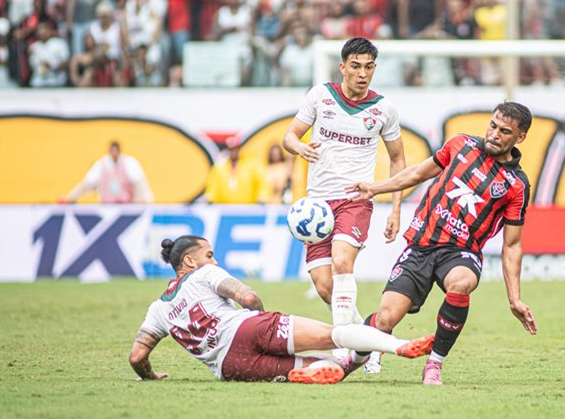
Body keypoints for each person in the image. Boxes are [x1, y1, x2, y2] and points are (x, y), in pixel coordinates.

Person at [346, 102, 539, 385]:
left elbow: (512, 245)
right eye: (493, 125)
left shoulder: (517, 185)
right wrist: (374, 188)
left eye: (504, 131)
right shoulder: (460, 145)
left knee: (462, 283)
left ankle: (434, 363)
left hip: (461, 253)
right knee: (385, 319)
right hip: (422, 245)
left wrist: (515, 298)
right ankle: (350, 361)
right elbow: (416, 174)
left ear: (520, 137)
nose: (494, 134)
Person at [128, 235, 435, 384]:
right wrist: (259, 318)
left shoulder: (158, 309)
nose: (214, 260)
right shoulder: (203, 273)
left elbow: (137, 357)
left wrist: (150, 376)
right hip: (246, 329)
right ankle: (399, 346)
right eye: (209, 255)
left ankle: (338, 364)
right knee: (335, 335)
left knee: (328, 367)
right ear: (190, 261)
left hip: (231, 367)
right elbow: (247, 297)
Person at [282, 37, 406, 373]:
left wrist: (395, 208)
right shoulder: (320, 95)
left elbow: (398, 160)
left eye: (369, 67)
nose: (362, 73)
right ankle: (369, 343)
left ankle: (342, 348)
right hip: (317, 206)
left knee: (341, 262)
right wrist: (300, 148)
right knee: (325, 287)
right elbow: (290, 136)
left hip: (356, 199)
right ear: (342, 67)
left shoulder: (383, 109)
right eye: (356, 66)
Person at [65, 140, 154, 203]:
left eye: (116, 151)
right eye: (112, 151)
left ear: (119, 151)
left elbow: (139, 182)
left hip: (127, 207)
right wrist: (72, 197)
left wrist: (147, 200)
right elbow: (87, 182)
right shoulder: (101, 164)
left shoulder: (129, 163)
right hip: (107, 207)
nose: (114, 153)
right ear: (109, 151)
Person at [204, 138, 268, 204]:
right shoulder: (220, 167)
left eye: (236, 149)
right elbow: (212, 187)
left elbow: (262, 182)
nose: (234, 152)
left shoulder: (251, 165)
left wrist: (262, 196)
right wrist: (210, 198)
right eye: (231, 149)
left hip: (248, 207)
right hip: (224, 207)